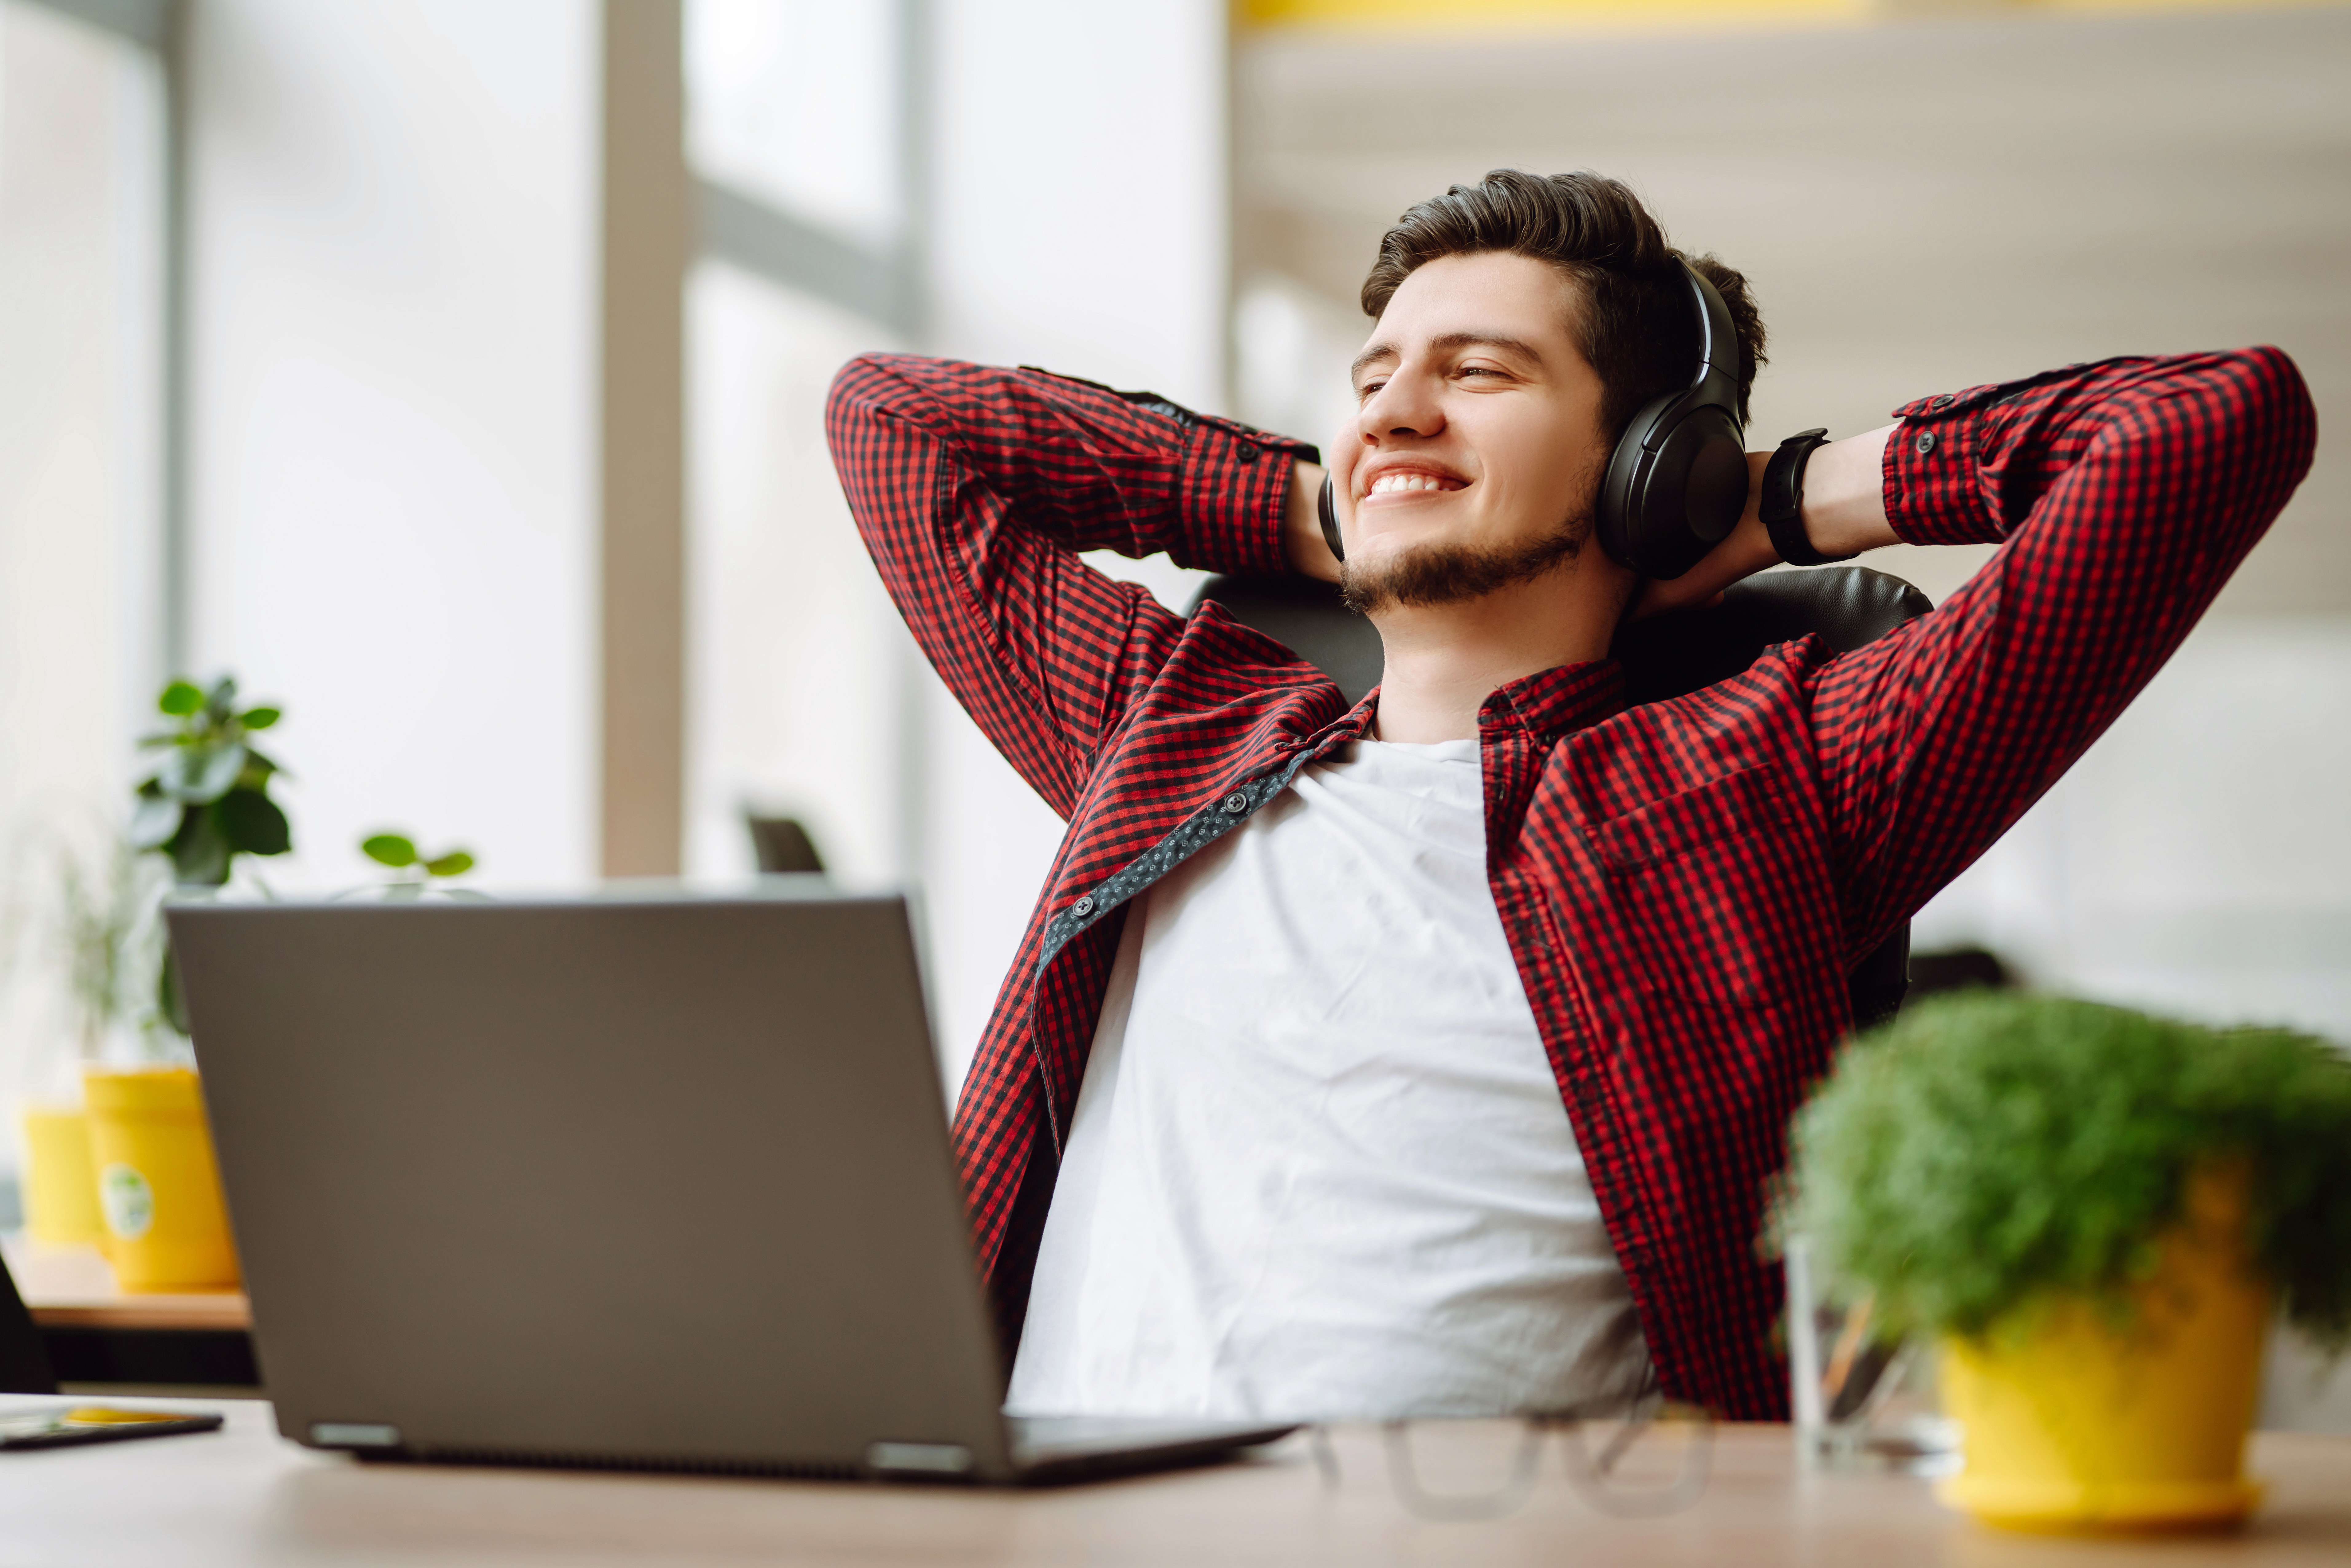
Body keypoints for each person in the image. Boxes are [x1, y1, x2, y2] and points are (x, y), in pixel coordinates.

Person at [824, 169, 2314, 1423]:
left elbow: (2204, 424)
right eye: (1371, 381)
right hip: (1051, 1528)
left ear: (1642, 472)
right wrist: (1314, 496)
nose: (1395, 410)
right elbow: (892, 421)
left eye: (1476, 372)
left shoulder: (1778, 773)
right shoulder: (1168, 729)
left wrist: (1779, 497)